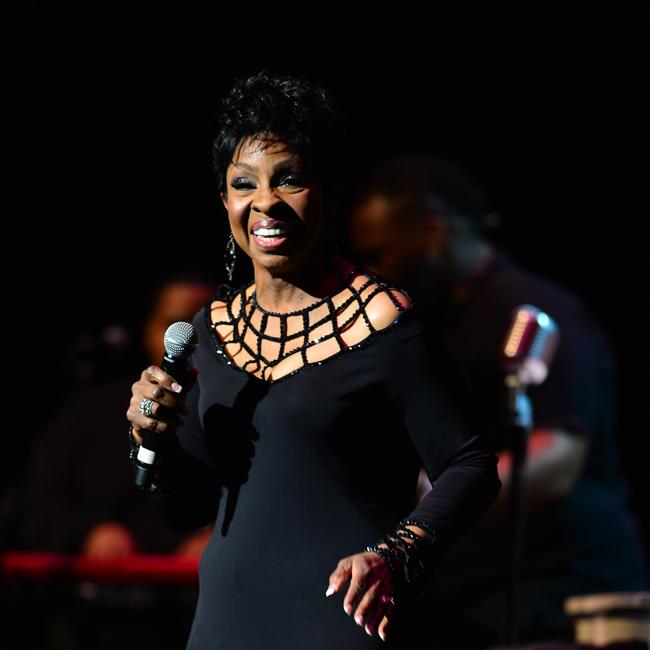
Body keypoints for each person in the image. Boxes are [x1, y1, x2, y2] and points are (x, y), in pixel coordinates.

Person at [125, 72, 501, 649]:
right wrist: (151, 438)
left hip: (338, 619)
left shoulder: (382, 321)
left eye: (290, 179)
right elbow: (188, 509)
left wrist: (396, 554)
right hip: (225, 626)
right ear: (225, 200)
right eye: (244, 183)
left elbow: (471, 465)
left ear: (327, 193)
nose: (265, 202)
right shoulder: (210, 331)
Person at [348, 154, 649, 645]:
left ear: (432, 232)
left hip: (559, 602)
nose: (369, 274)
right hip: (480, 603)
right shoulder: (436, 324)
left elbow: (557, 458)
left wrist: (433, 498)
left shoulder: (530, 310)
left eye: (379, 253)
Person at [20, 275, 216, 557]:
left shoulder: (239, 411)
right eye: (176, 324)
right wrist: (89, 533)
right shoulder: (91, 412)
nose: (191, 340)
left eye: (203, 325)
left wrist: (220, 542)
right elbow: (38, 507)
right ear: (149, 329)